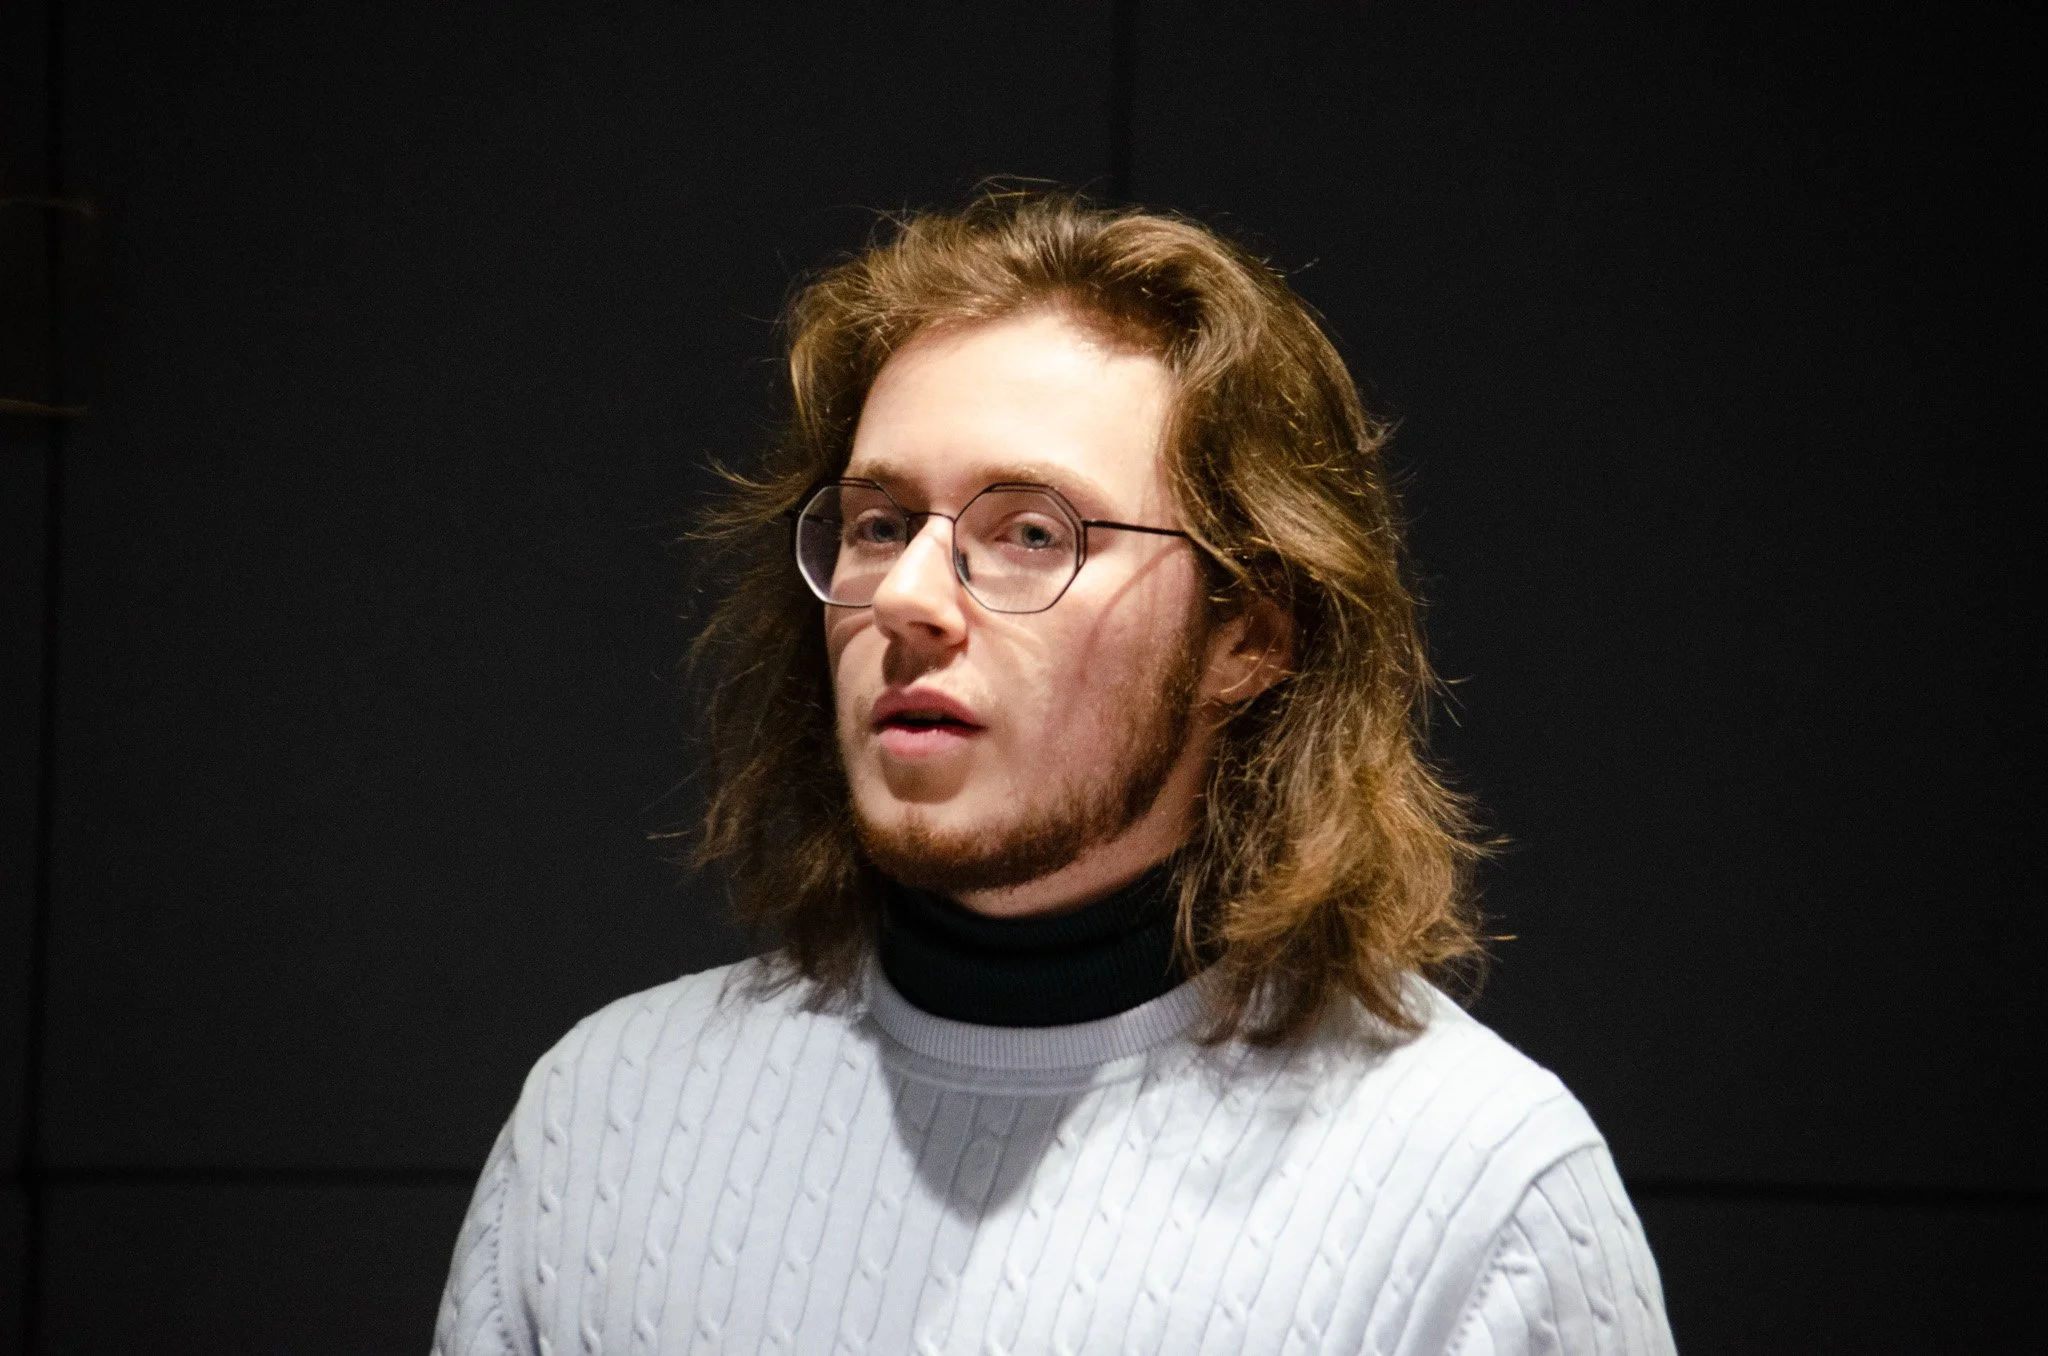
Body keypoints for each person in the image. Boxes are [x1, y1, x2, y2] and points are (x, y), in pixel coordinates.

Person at [432, 192, 1676, 1355]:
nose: (907, 597)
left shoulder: (1477, 1197)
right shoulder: (603, 1123)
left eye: (1031, 533)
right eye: (876, 522)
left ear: (1246, 632)